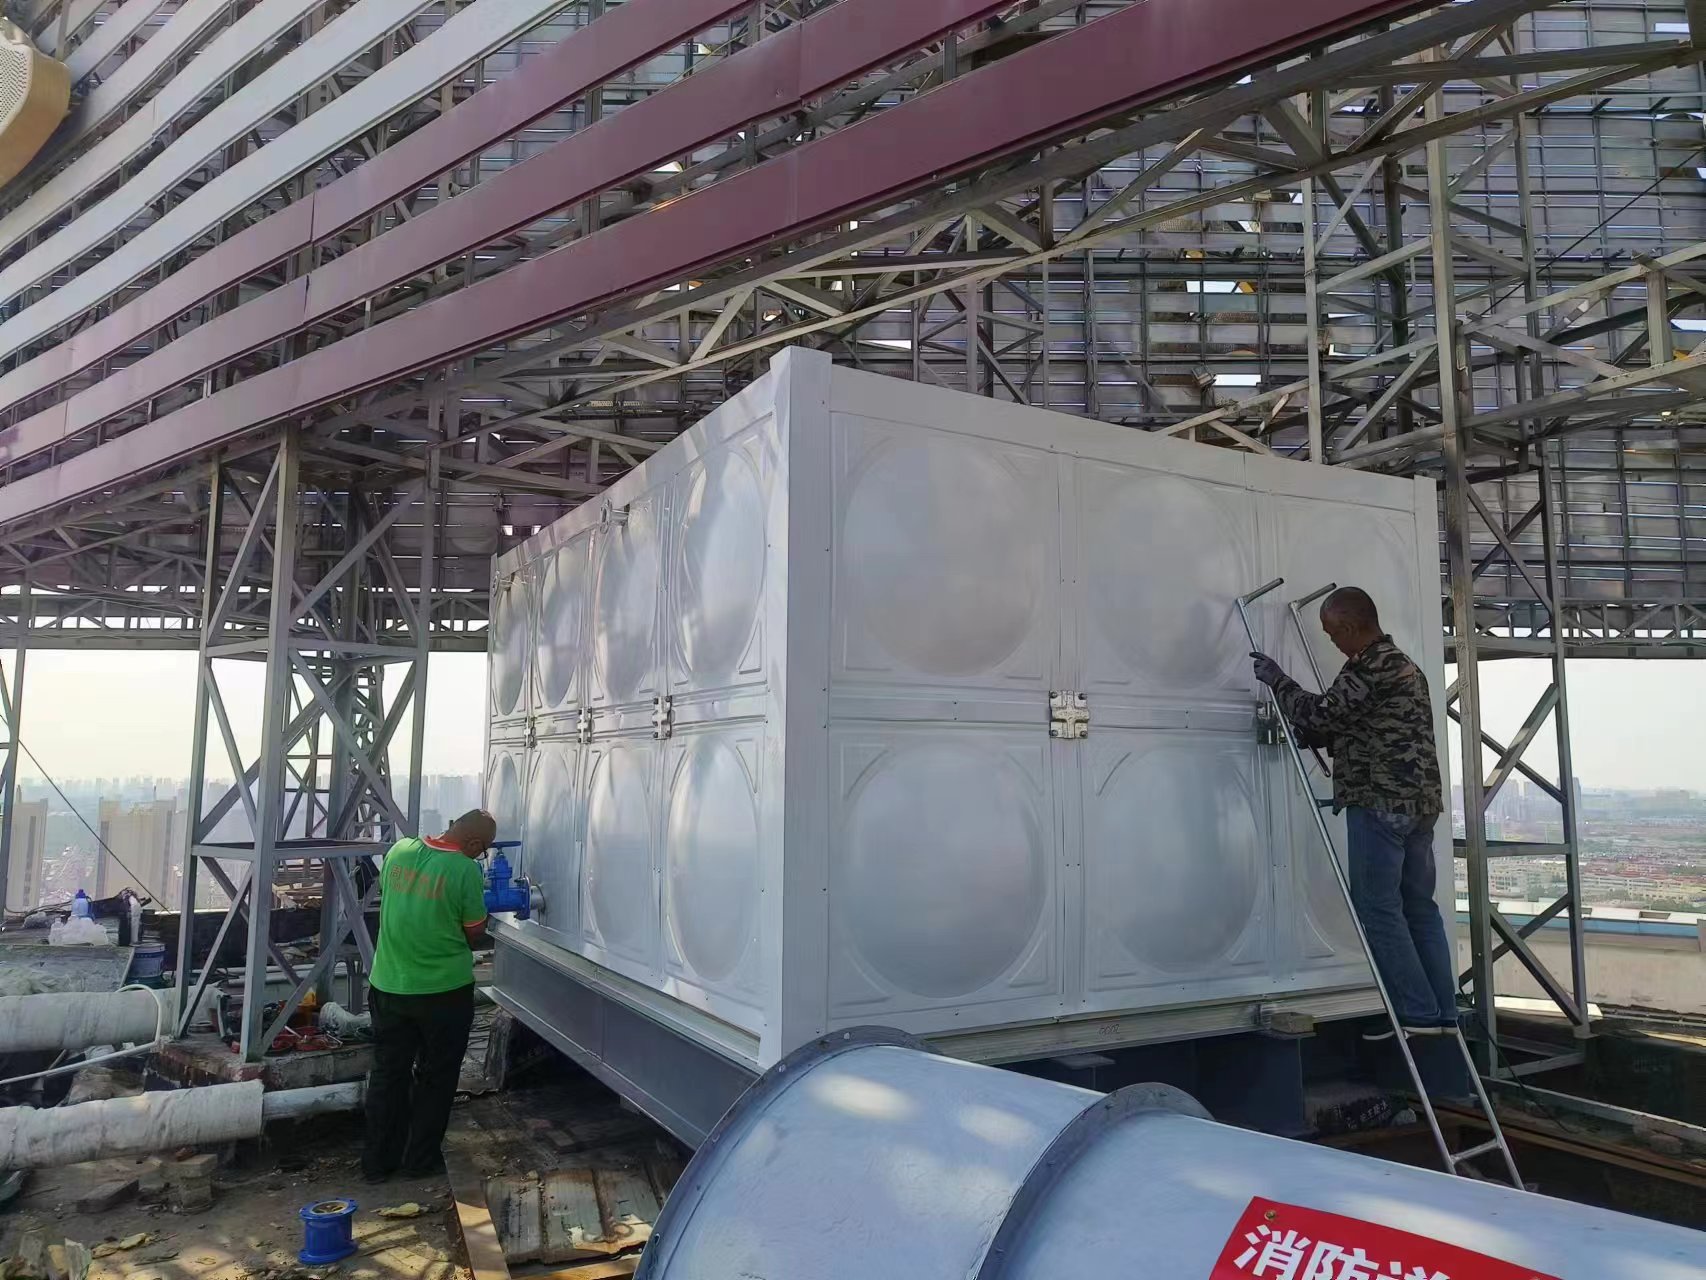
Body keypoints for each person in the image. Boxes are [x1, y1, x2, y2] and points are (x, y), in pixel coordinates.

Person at [1249, 587, 1456, 1039]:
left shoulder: (1369, 667)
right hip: (1420, 805)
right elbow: (1364, 724)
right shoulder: (1402, 664)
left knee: (1378, 909)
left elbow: (1320, 715)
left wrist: (1278, 680)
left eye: (1331, 633)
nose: (1331, 641)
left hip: (1380, 803)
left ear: (1348, 626)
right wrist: (1327, 738)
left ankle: (1417, 1013)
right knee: (1419, 908)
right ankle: (1444, 1012)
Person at [362, 809, 495, 1182]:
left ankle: (376, 1164)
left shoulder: (399, 851)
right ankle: (419, 1161)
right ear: (473, 843)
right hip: (443, 993)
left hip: (388, 986)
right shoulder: (465, 870)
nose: (481, 855)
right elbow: (474, 931)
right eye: (483, 849)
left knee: (388, 1075)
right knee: (436, 1078)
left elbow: (400, 900)